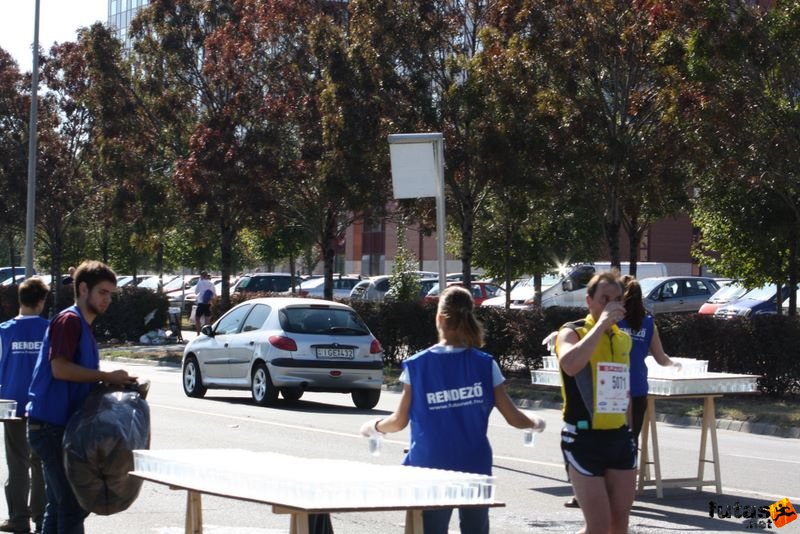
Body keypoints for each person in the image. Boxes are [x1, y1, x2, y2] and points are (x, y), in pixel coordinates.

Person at [360, 285, 546, 534]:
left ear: (439, 318)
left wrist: (373, 427)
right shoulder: (485, 365)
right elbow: (513, 418)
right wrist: (533, 422)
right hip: (475, 464)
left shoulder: (418, 366)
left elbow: (399, 421)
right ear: (470, 317)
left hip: (430, 465)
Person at [26, 260, 137, 534]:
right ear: (83, 288)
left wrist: (112, 384)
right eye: (102, 292)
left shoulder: (82, 326)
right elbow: (59, 368)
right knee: (73, 505)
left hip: (56, 427)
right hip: (50, 427)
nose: (107, 299)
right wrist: (106, 377)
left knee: (61, 503)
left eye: (111, 293)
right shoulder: (69, 321)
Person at [555, 272, 636, 533]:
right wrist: (600, 325)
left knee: (618, 523)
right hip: (582, 438)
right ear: (589, 301)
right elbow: (569, 364)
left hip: (618, 437)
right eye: (604, 299)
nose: (611, 305)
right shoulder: (572, 331)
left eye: (616, 299)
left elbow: (623, 389)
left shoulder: (623, 338)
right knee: (598, 527)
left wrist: (630, 431)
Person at [0, 278, 49, 534]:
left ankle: (18, 518)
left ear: (19, 300)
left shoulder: (5, 330)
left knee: (17, 462)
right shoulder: (50, 330)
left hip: (11, 406)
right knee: (40, 463)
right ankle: (41, 518)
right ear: (41, 301)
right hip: (43, 405)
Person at [618, 276, 680, 442]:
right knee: (631, 443)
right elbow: (661, 358)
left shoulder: (612, 321)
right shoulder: (648, 323)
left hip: (614, 387)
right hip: (639, 387)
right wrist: (675, 364)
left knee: (614, 444)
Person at [193, 271, 216, 335]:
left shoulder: (200, 282)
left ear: (202, 276)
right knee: (207, 319)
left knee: (197, 318)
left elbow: (196, 292)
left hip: (201, 303)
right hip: (208, 303)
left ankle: (198, 333)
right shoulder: (211, 283)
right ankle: (207, 333)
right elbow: (214, 294)